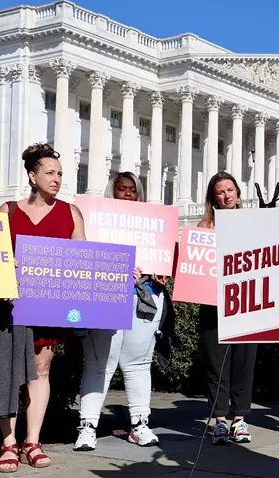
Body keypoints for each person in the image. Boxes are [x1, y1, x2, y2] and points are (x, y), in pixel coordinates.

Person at [73, 172, 176, 451]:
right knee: (99, 364)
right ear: (113, 191)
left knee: (139, 365)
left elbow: (164, 259)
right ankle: (87, 427)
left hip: (145, 298)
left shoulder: (153, 226)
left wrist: (159, 273)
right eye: (122, 188)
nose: (128, 193)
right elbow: (85, 257)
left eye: (132, 189)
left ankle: (140, 424)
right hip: (107, 298)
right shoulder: (96, 222)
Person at [0, 143, 86, 472]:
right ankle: (7, 444)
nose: (57, 179)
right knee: (7, 374)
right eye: (50, 172)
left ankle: (31, 441)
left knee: (41, 369)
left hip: (50, 305)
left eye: (60, 173)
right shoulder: (7, 211)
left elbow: (83, 261)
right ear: (32, 176)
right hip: (10, 306)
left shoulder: (71, 213)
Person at [197, 172, 259, 445]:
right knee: (216, 363)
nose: (227, 195)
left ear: (238, 192)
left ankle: (240, 419)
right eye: (221, 191)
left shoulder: (251, 222)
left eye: (231, 189)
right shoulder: (205, 226)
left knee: (244, 363)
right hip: (213, 303)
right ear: (213, 197)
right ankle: (220, 420)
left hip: (245, 302)